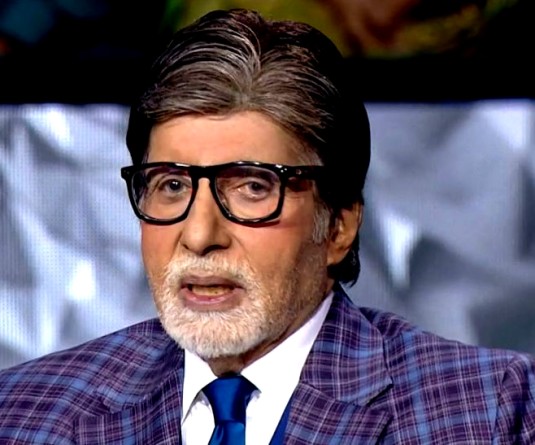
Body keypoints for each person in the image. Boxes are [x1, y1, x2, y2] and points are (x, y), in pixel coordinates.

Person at [0, 7, 534, 444]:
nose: (199, 235)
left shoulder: (492, 410)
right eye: (172, 185)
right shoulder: (24, 412)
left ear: (339, 225)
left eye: (253, 187)